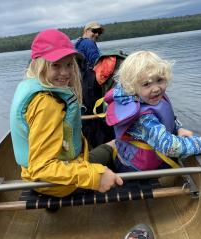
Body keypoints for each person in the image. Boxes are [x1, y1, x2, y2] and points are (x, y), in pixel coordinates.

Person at [10, 29, 122, 197]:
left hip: (42, 177)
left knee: (110, 145)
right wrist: (95, 177)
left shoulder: (35, 88)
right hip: (54, 184)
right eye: (56, 65)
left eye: (69, 64)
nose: (65, 73)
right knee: (119, 144)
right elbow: (42, 168)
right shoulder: (46, 105)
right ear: (39, 65)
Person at [104, 51, 201, 172]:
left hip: (153, 155)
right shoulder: (143, 118)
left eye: (159, 80)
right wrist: (198, 144)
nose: (156, 88)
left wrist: (178, 128)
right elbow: (169, 146)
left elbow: (167, 118)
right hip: (135, 168)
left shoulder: (150, 98)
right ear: (133, 87)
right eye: (146, 84)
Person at [75, 21, 115, 148]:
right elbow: (97, 63)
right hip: (89, 86)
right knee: (96, 116)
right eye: (94, 31)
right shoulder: (89, 43)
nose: (96, 34)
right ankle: (103, 145)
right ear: (86, 31)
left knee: (86, 115)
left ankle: (88, 144)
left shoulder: (78, 43)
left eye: (99, 32)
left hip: (80, 86)